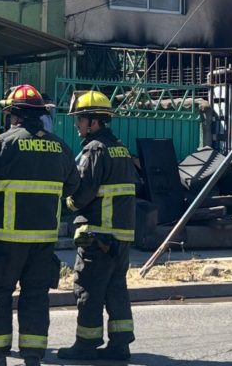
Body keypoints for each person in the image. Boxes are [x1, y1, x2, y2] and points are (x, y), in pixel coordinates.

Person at [0, 84, 80, 366]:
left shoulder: (1, 143)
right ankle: (32, 357)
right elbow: (74, 185)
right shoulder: (60, 146)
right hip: (42, 242)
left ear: (13, 115)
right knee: (36, 298)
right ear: (39, 115)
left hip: (5, 240)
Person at [57, 90, 137, 362]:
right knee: (116, 288)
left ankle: (86, 345)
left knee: (88, 289)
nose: (77, 124)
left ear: (93, 122)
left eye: (80, 119)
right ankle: (120, 345)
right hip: (121, 236)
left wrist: (67, 204)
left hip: (98, 234)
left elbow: (83, 193)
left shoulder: (94, 150)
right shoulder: (121, 148)